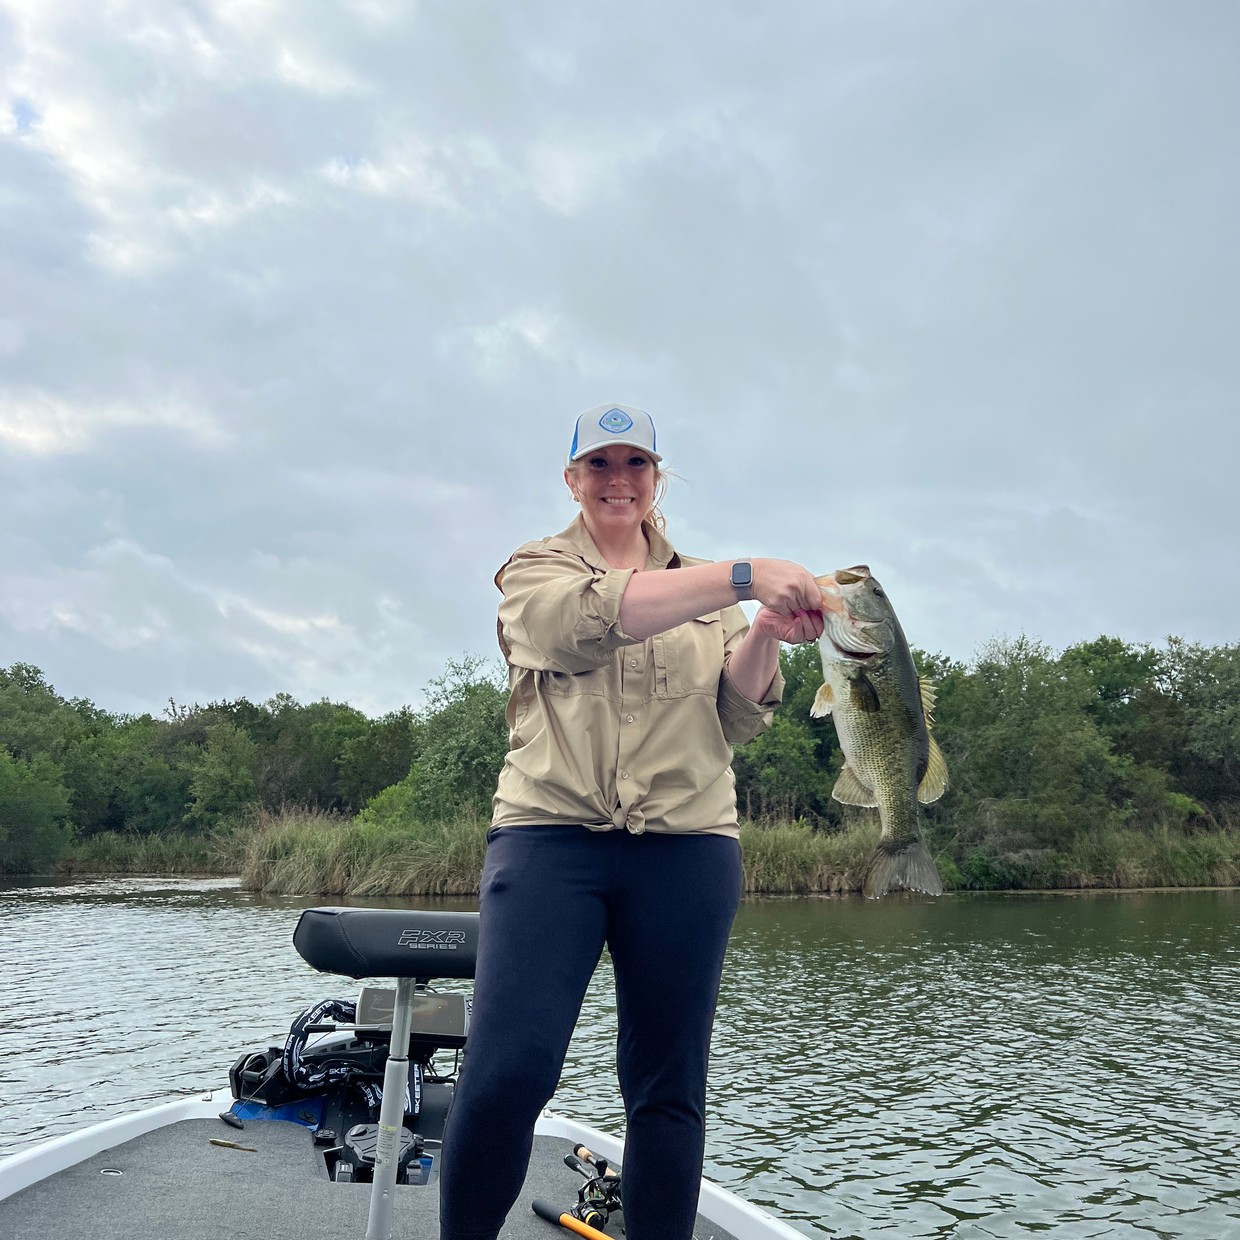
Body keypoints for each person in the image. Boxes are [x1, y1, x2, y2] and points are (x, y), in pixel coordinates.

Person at [438, 403, 837, 1240]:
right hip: (551, 842)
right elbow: (585, 621)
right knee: (508, 1072)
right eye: (600, 465)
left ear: (658, 477)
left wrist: (761, 628)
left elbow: (739, 714)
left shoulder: (714, 590)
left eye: (636, 465)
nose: (619, 481)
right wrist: (743, 575)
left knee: (667, 1089)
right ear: (572, 479)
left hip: (688, 849)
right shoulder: (533, 570)